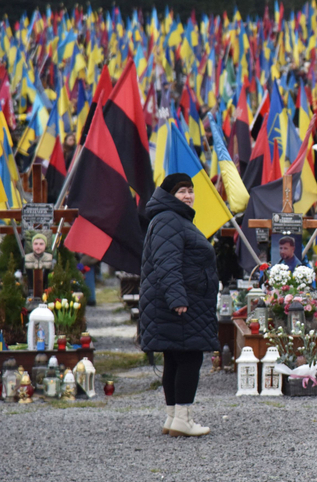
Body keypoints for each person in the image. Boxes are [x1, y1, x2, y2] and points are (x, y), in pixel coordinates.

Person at [139, 173, 219, 438]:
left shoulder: (172, 218)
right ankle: (183, 419)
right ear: (169, 195)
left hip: (179, 301)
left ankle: (173, 417)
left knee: (174, 356)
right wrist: (178, 299)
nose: (188, 195)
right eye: (181, 191)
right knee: (189, 356)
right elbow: (167, 263)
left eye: (190, 190)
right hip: (180, 303)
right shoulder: (169, 220)